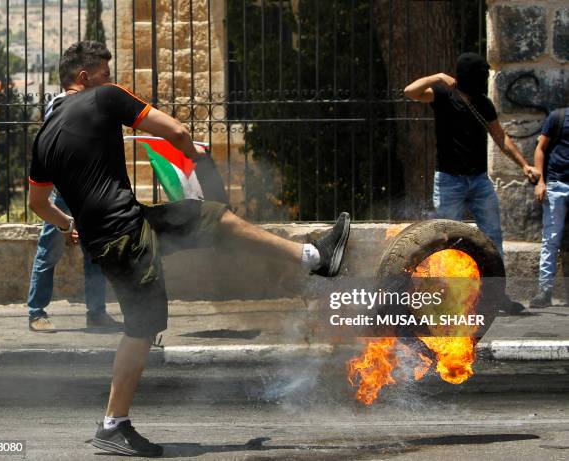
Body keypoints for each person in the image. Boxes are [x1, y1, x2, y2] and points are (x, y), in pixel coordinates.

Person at [28, 41, 351, 457]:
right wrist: (194, 157)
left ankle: (314, 257)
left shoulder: (44, 137)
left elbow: (38, 204)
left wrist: (69, 223)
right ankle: (112, 426)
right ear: (85, 77)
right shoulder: (104, 96)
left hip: (114, 233)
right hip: (127, 232)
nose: (110, 81)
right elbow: (177, 132)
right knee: (142, 327)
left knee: (214, 220)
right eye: (105, 74)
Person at [404, 52, 540, 314]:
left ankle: (495, 297)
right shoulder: (443, 96)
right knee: (446, 240)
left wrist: (524, 165)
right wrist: (438, 77)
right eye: (480, 74)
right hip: (449, 182)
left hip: (479, 182)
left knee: (493, 238)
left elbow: (501, 138)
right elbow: (410, 91)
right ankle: (447, 300)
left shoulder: (483, 104)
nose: (484, 78)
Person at [28, 90, 119, 332]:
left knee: (95, 256)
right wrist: (65, 222)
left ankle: (97, 313)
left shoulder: (90, 111)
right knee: (48, 254)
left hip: (90, 196)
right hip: (62, 198)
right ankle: (36, 313)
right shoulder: (58, 107)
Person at [530, 107, 569, 308]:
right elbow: (540, 148)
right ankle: (544, 291)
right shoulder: (558, 117)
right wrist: (540, 182)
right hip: (556, 186)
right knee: (551, 239)